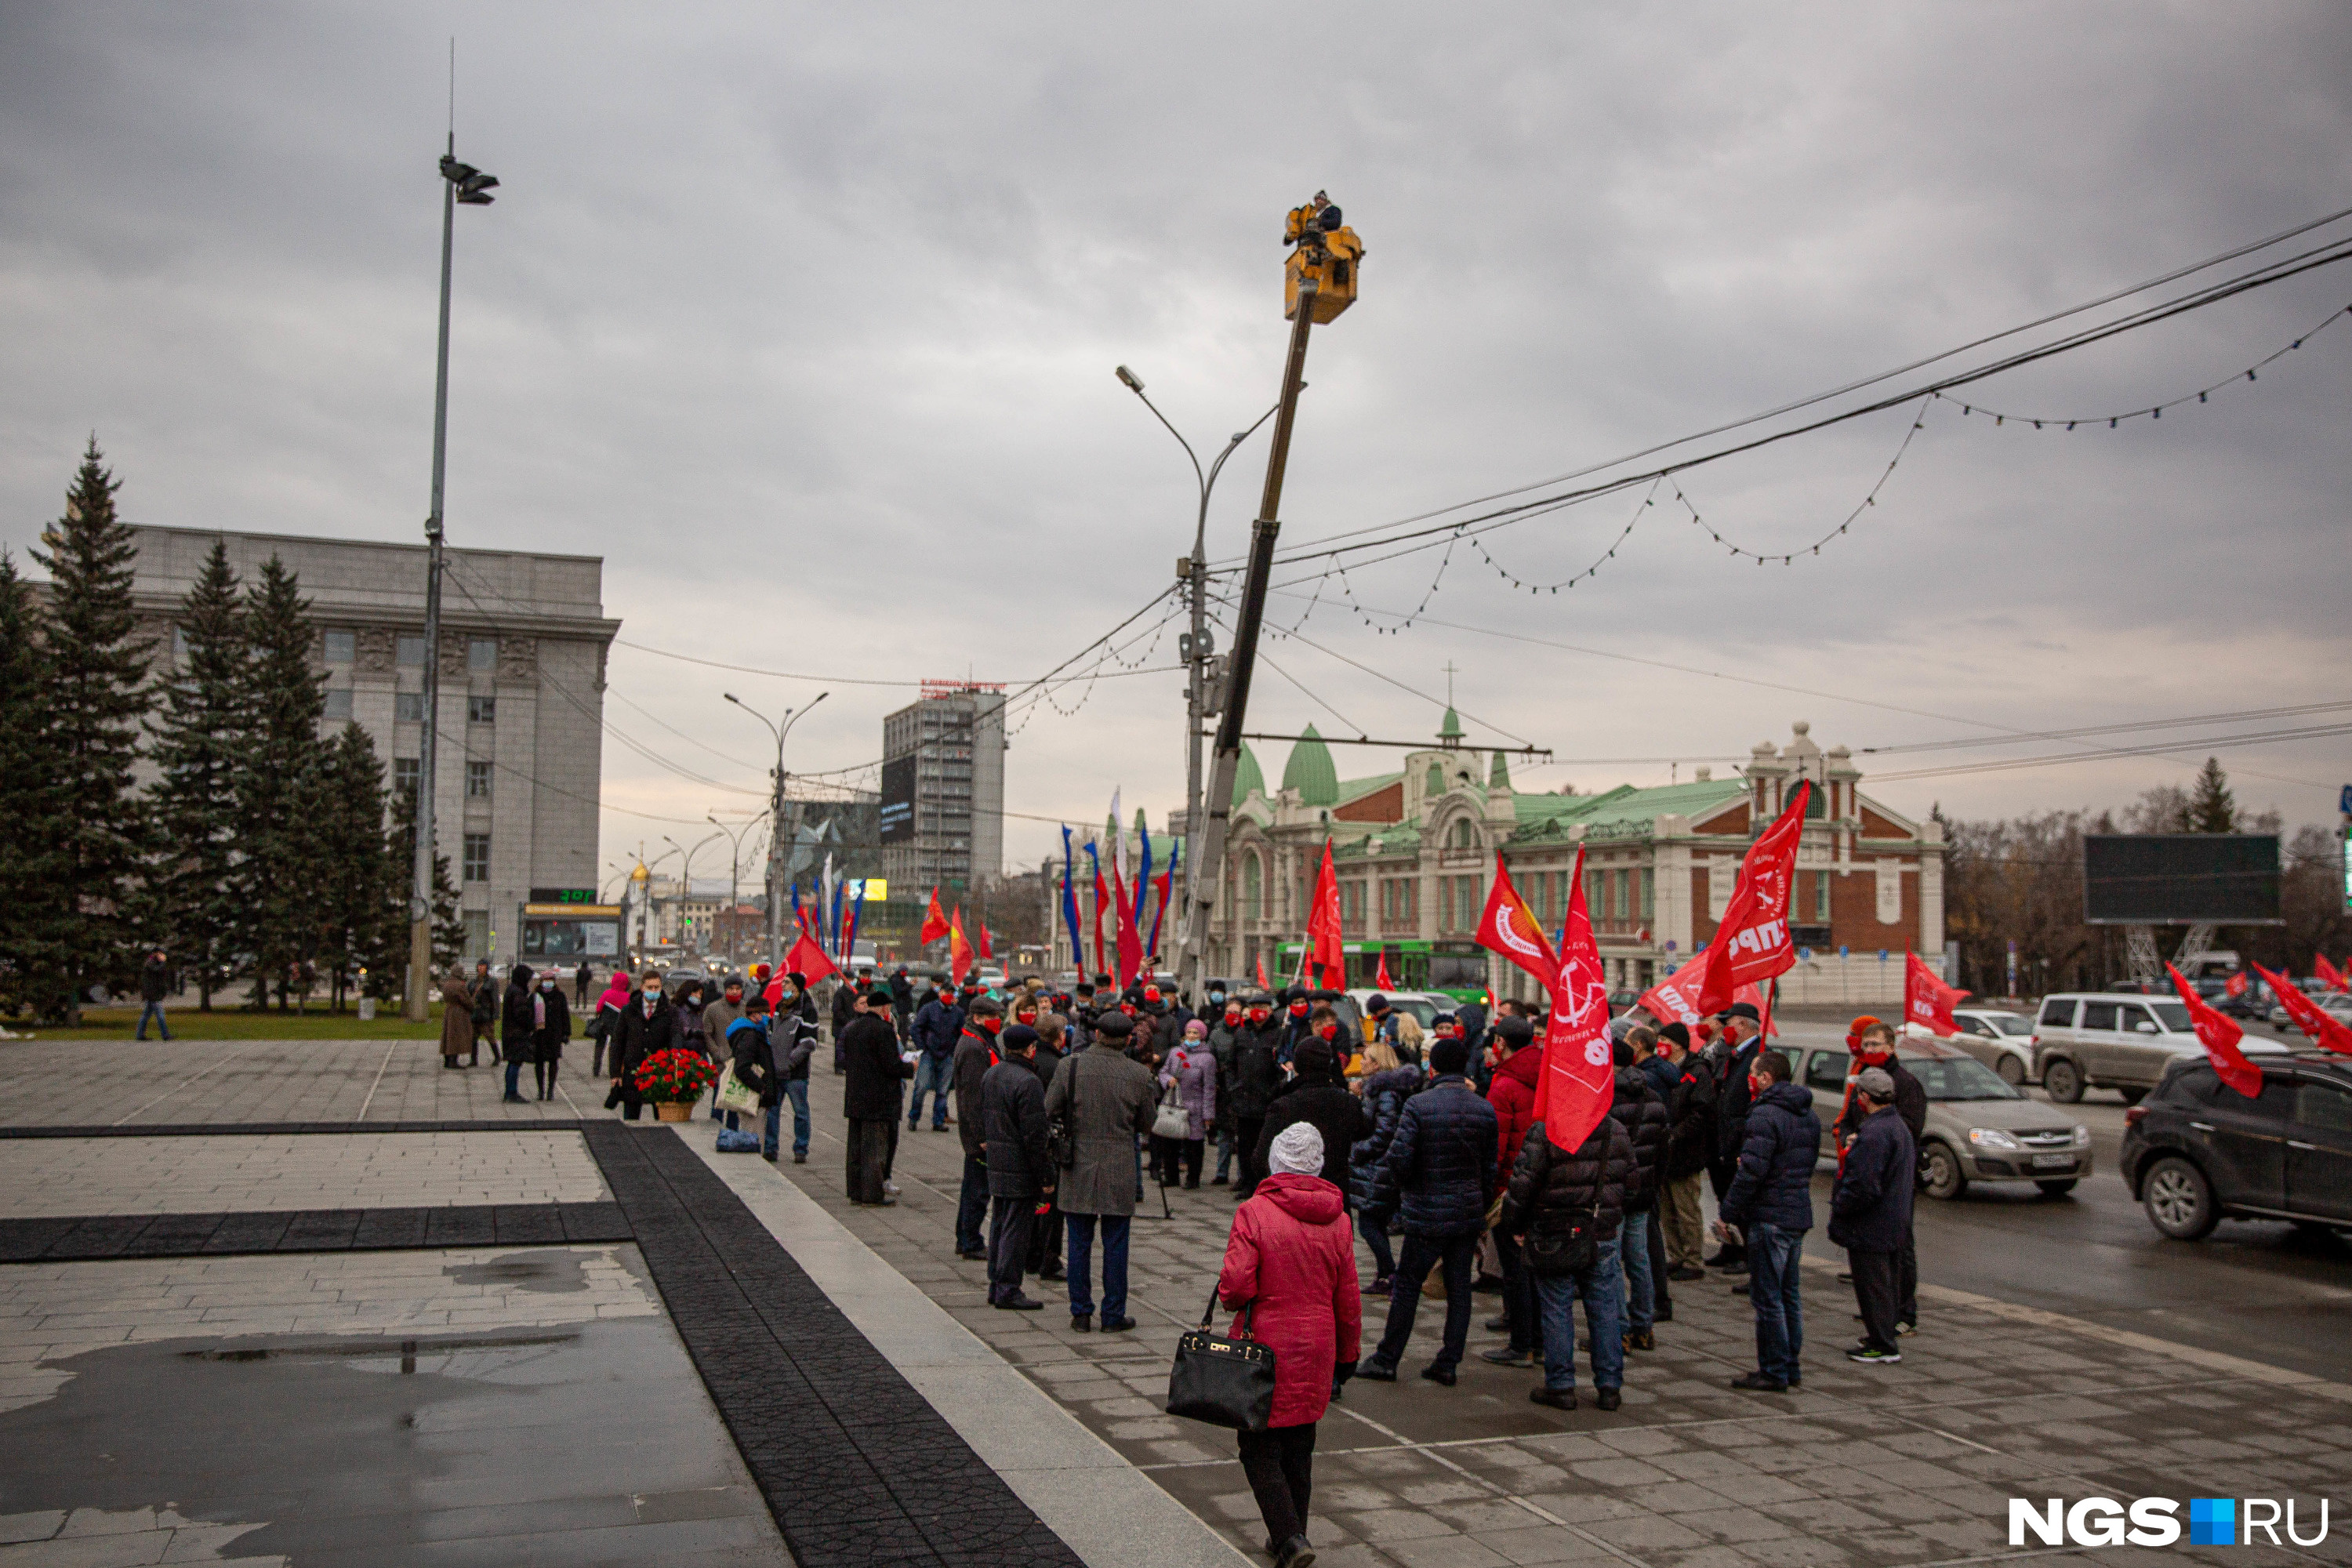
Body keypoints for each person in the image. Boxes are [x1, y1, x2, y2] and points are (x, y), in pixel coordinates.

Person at [1216, 1123, 1361, 1568]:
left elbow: (1235, 1288)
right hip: (1317, 1344)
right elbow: (1349, 1296)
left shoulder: (1255, 1212)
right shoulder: (1338, 1220)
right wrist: (1349, 1353)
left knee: (1257, 1445)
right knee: (1300, 1445)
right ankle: (1290, 1535)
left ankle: (1290, 1538)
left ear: (1276, 1161)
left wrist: (1232, 1295)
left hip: (1265, 1344)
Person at [1355, 1037, 1498, 1387]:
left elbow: (1398, 1159)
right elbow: (1490, 1168)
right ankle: (1448, 1362)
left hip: (1426, 1212)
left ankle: (1387, 1358)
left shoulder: (1420, 1106)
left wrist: (1384, 1200)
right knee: (1459, 1288)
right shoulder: (1483, 1108)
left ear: (1431, 1067)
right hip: (1465, 1212)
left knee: (1407, 1285)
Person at [1499, 1105, 1635, 1411]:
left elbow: (1523, 1184)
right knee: (1604, 1310)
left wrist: (1515, 1225)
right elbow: (1632, 1181)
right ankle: (1610, 1385)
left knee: (1556, 1308)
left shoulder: (1546, 1129)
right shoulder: (1614, 1129)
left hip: (1553, 1232)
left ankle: (1560, 1385)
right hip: (1600, 1231)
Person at [1045, 1008, 1157, 1332]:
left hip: (1077, 1162)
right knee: (1116, 1243)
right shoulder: (1138, 1074)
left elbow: (1049, 1108)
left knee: (1078, 1243)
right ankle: (1113, 1314)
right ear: (1127, 1041)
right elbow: (1148, 1124)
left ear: (1096, 1035)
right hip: (1119, 1165)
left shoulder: (1070, 1066)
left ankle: (1080, 1312)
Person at [1718, 1050, 1820, 1392]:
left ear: (1765, 1079)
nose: (1749, 1079)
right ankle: (1790, 1365)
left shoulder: (1764, 1115)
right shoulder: (1806, 1114)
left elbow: (1752, 1171)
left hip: (1770, 1215)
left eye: (1753, 1073)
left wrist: (1729, 1211)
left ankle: (1774, 1370)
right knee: (1789, 1294)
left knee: (1768, 1298)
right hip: (1795, 1213)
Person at [1832, 1018, 1926, 1335]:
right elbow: (1846, 1118)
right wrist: (1848, 1137)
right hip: (1864, 1167)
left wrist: (1871, 1138)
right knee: (1871, 1247)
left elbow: (1910, 1129)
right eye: (1866, 1044)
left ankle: (1904, 1312)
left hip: (1894, 1177)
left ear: (1891, 1047)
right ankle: (1878, 1310)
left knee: (1899, 1246)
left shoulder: (1905, 1082)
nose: (1869, 1049)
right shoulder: (1861, 1079)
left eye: (1876, 1045)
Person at [1476, 1015, 1543, 1367]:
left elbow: (1497, 1145)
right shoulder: (1546, 1072)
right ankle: (1541, 1338)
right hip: (1541, 1180)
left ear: (1503, 1043)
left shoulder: (1504, 1082)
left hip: (1510, 1188)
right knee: (1535, 1265)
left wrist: (1489, 1189)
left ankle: (1522, 1343)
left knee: (1514, 1269)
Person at [981, 1022, 1054, 1309]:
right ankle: (1009, 1288)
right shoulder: (1028, 1082)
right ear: (1031, 1049)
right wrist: (1046, 1177)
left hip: (998, 1162)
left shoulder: (992, 1074)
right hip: (1020, 1167)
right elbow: (1035, 1136)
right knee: (1016, 1230)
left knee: (1000, 1225)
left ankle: (996, 1283)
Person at [1607, 1037, 1668, 1352]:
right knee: (1639, 1259)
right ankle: (1644, 1325)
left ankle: (1619, 1330)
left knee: (1612, 1261)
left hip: (1616, 1191)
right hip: (1644, 1192)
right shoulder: (1654, 1098)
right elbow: (1662, 1149)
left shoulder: (1607, 1099)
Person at [1348, 1037, 1420, 1298]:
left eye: (1366, 1059)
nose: (1362, 1062)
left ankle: (1390, 1274)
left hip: (1379, 1167)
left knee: (1369, 1224)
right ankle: (1386, 1275)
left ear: (1377, 1065)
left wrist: (1357, 1152)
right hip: (1378, 1167)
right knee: (1373, 1223)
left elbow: (1384, 1132)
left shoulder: (1387, 1093)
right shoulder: (1380, 1090)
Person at [1252, 1035, 1370, 1190]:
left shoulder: (1284, 1106)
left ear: (1298, 1066)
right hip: (1335, 1197)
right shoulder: (1349, 1102)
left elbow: (1260, 1159)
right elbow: (1363, 1140)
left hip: (1294, 1196)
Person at [1704, 1003, 1766, 1272]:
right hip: (1723, 1139)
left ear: (1742, 1025)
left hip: (1739, 1140)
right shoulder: (1733, 1054)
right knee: (1725, 1197)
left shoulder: (1759, 1055)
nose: (1724, 1028)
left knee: (1742, 1201)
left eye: (1728, 1023)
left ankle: (1746, 1254)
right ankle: (1730, 1246)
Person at [843, 983, 913, 1203]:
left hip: (855, 1098)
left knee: (855, 1149)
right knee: (875, 1149)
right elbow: (892, 1066)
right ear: (883, 1008)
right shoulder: (884, 1031)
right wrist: (911, 1067)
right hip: (879, 1100)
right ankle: (873, 1194)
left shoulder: (853, 1028)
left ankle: (855, 1192)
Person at [950, 996, 1007, 1257]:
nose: (999, 1021)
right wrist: (982, 1135)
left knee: (974, 1187)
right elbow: (972, 1097)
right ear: (978, 1018)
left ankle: (966, 1237)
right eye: (994, 1016)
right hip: (979, 1134)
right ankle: (970, 1240)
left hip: (979, 1131)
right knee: (977, 1191)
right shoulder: (973, 1047)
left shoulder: (980, 1040)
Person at [1657, 1023, 1713, 1281]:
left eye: (1664, 1039)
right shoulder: (1663, 1069)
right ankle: (1676, 1255)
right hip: (1665, 1153)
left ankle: (1693, 1259)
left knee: (1686, 1209)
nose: (1660, 1043)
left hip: (1686, 1152)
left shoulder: (1697, 1072)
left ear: (1678, 1044)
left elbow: (1702, 1112)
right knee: (1667, 1209)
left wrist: (1675, 1134)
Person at [1227, 997, 1285, 1198]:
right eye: (1254, 1008)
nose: (1258, 1012)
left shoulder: (1278, 1035)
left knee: (1264, 1146)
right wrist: (1233, 1088)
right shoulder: (1242, 1033)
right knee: (1244, 1146)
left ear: (1269, 1010)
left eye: (1262, 1007)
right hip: (1243, 1100)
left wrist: (1273, 1092)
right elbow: (1230, 1065)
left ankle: (1263, 1185)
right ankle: (1247, 1183)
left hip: (1266, 1102)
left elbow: (1282, 1069)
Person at [1156, 1020, 1218, 1189]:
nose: (1191, 1036)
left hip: (1195, 1107)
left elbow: (1209, 1088)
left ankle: (1193, 1178)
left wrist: (1208, 1115)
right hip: (1174, 1104)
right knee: (1170, 1143)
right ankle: (1171, 1176)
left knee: (1194, 1145)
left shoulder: (1207, 1059)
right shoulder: (1175, 1052)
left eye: (1195, 1033)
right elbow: (1163, 1071)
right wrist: (1168, 1080)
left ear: (1202, 1036)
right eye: (1189, 1032)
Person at [608, 971, 673, 1120]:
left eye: (657, 987)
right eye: (650, 987)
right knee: (631, 1118)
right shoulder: (629, 1011)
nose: (653, 991)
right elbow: (617, 1043)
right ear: (642, 988)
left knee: (663, 1121)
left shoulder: (668, 1011)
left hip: (659, 1071)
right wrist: (615, 1073)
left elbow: (674, 1037)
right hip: (633, 1072)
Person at [771, 972, 819, 1162]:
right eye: (783, 982)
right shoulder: (778, 1009)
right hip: (776, 1072)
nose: (783, 985)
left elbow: (809, 1042)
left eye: (787, 983)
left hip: (795, 1074)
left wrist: (790, 1062)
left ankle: (801, 1149)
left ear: (797, 987)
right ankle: (771, 1148)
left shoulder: (806, 1010)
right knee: (773, 1112)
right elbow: (772, 1035)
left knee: (800, 1112)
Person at [724, 989, 779, 1150]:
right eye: (765, 1013)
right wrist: (762, 1088)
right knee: (753, 1142)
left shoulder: (754, 1033)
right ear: (754, 1014)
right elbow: (742, 1068)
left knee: (753, 1140)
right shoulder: (750, 1036)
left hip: (757, 1099)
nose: (768, 1016)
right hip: (753, 1100)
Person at [909, 980, 966, 1131]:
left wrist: (955, 1051)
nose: (948, 996)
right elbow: (916, 1029)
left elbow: (962, 1033)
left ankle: (938, 1121)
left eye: (951, 993)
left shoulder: (958, 1013)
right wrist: (922, 1047)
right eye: (946, 993)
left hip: (947, 1055)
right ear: (940, 993)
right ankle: (914, 1118)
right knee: (921, 1087)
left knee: (943, 1091)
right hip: (929, 1054)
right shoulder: (929, 1009)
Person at [1207, 998, 1247, 1185]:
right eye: (1229, 1012)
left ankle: (1242, 1175)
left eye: (1236, 1013)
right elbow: (1211, 1060)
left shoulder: (1246, 1033)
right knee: (1224, 1135)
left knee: (1242, 1136)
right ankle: (1222, 1172)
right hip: (1223, 1088)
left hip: (1242, 1088)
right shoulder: (1216, 1035)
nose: (1233, 1016)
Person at [702, 976, 746, 1121]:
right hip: (721, 1064)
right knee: (718, 1103)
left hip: (740, 1064)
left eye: (737, 989)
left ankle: (732, 1137)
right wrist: (717, 1052)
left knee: (735, 1108)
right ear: (725, 990)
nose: (734, 992)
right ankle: (716, 1133)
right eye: (731, 989)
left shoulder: (746, 1009)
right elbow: (707, 1034)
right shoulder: (713, 1009)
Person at [530, 969, 571, 1101]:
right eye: (546, 980)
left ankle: (550, 1090)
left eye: (550, 980)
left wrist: (566, 1033)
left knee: (553, 1062)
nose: (548, 983)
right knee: (539, 1063)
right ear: (541, 982)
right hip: (540, 1034)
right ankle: (540, 1090)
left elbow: (565, 1015)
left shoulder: (559, 995)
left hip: (554, 1034)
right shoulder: (535, 995)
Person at [499, 964, 538, 1104]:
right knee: (515, 1062)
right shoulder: (518, 993)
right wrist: (531, 1025)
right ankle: (511, 1092)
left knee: (513, 1062)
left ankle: (510, 1091)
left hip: (511, 1032)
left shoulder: (513, 989)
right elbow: (521, 1014)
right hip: (516, 1033)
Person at [584, 971, 628, 1079]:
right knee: (614, 1048)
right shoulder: (627, 997)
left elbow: (599, 1008)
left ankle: (596, 1069)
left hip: (604, 1024)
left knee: (599, 1046)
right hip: (618, 1026)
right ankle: (612, 1070)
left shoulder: (607, 993)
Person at [437, 967, 474, 1069]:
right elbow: (467, 1000)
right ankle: (453, 1061)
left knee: (447, 1035)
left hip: (449, 1011)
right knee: (457, 1036)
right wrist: (472, 1007)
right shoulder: (460, 986)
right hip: (458, 1013)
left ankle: (447, 1060)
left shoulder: (447, 984)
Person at [136, 950, 174, 1041]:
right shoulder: (150, 963)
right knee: (160, 1014)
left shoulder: (153, 963)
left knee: (146, 1014)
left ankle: (140, 1035)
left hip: (152, 993)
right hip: (152, 993)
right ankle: (165, 1034)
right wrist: (163, 962)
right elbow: (156, 971)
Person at [469, 959, 500, 1068]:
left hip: (486, 1013)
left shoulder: (491, 982)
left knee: (490, 1036)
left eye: (483, 966)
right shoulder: (473, 982)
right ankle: (473, 1060)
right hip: (475, 1013)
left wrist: (496, 1013)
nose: (481, 968)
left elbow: (495, 998)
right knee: (473, 1038)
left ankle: (497, 1057)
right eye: (479, 966)